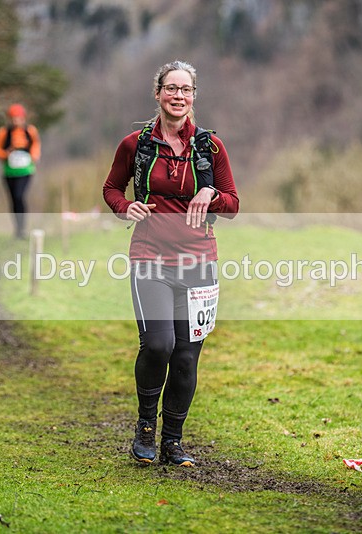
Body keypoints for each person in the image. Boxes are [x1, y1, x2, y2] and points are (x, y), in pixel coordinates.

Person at [103, 60, 239, 466]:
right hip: (150, 259)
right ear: (158, 93)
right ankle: (146, 427)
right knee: (159, 345)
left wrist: (210, 194)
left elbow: (233, 204)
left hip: (199, 263)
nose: (178, 96)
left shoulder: (210, 147)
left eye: (185, 89)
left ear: (194, 96)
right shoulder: (135, 144)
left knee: (185, 356)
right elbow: (111, 188)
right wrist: (126, 207)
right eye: (170, 88)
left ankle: (173, 441)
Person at [0, 103, 41, 238]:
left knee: (20, 196)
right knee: (13, 200)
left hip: (25, 171)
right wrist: (6, 154)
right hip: (9, 172)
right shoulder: (4, 132)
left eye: (18, 118)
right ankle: (18, 229)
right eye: (13, 118)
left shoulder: (30, 131)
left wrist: (33, 156)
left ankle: (23, 227)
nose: (16, 121)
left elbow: (35, 147)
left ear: (23, 118)